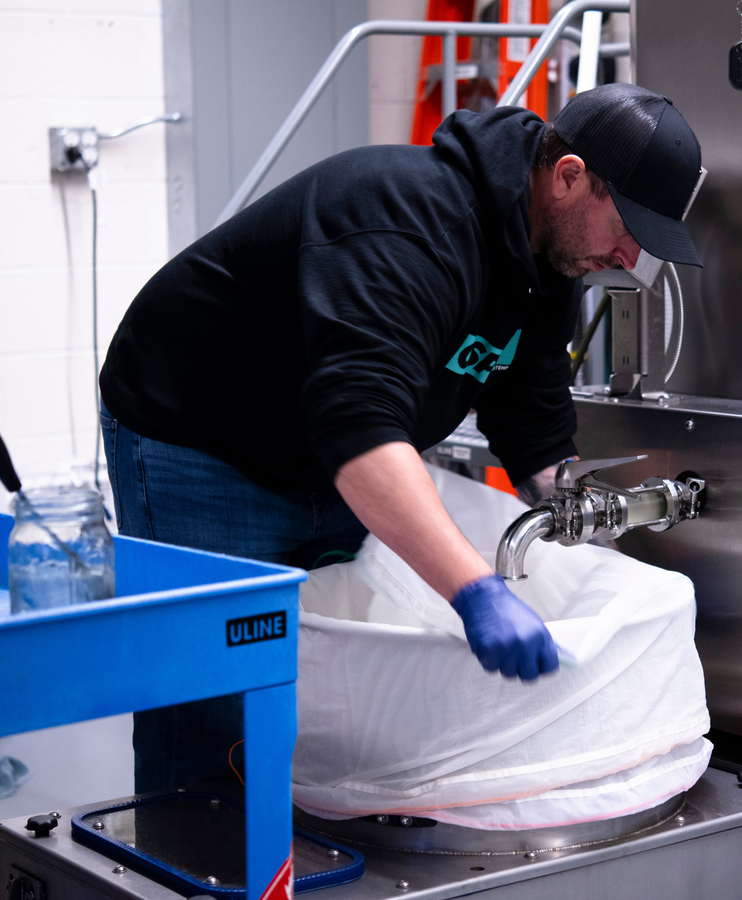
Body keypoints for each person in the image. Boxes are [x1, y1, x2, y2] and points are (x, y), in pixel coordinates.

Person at [99, 83, 703, 792]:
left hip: (320, 449)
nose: (630, 255)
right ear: (568, 176)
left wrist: (584, 525)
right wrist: (475, 591)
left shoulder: (551, 265)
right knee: (213, 696)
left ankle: (282, 836)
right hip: (199, 437)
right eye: (627, 226)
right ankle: (189, 841)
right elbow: (359, 427)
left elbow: (529, 416)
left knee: (317, 684)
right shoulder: (408, 221)